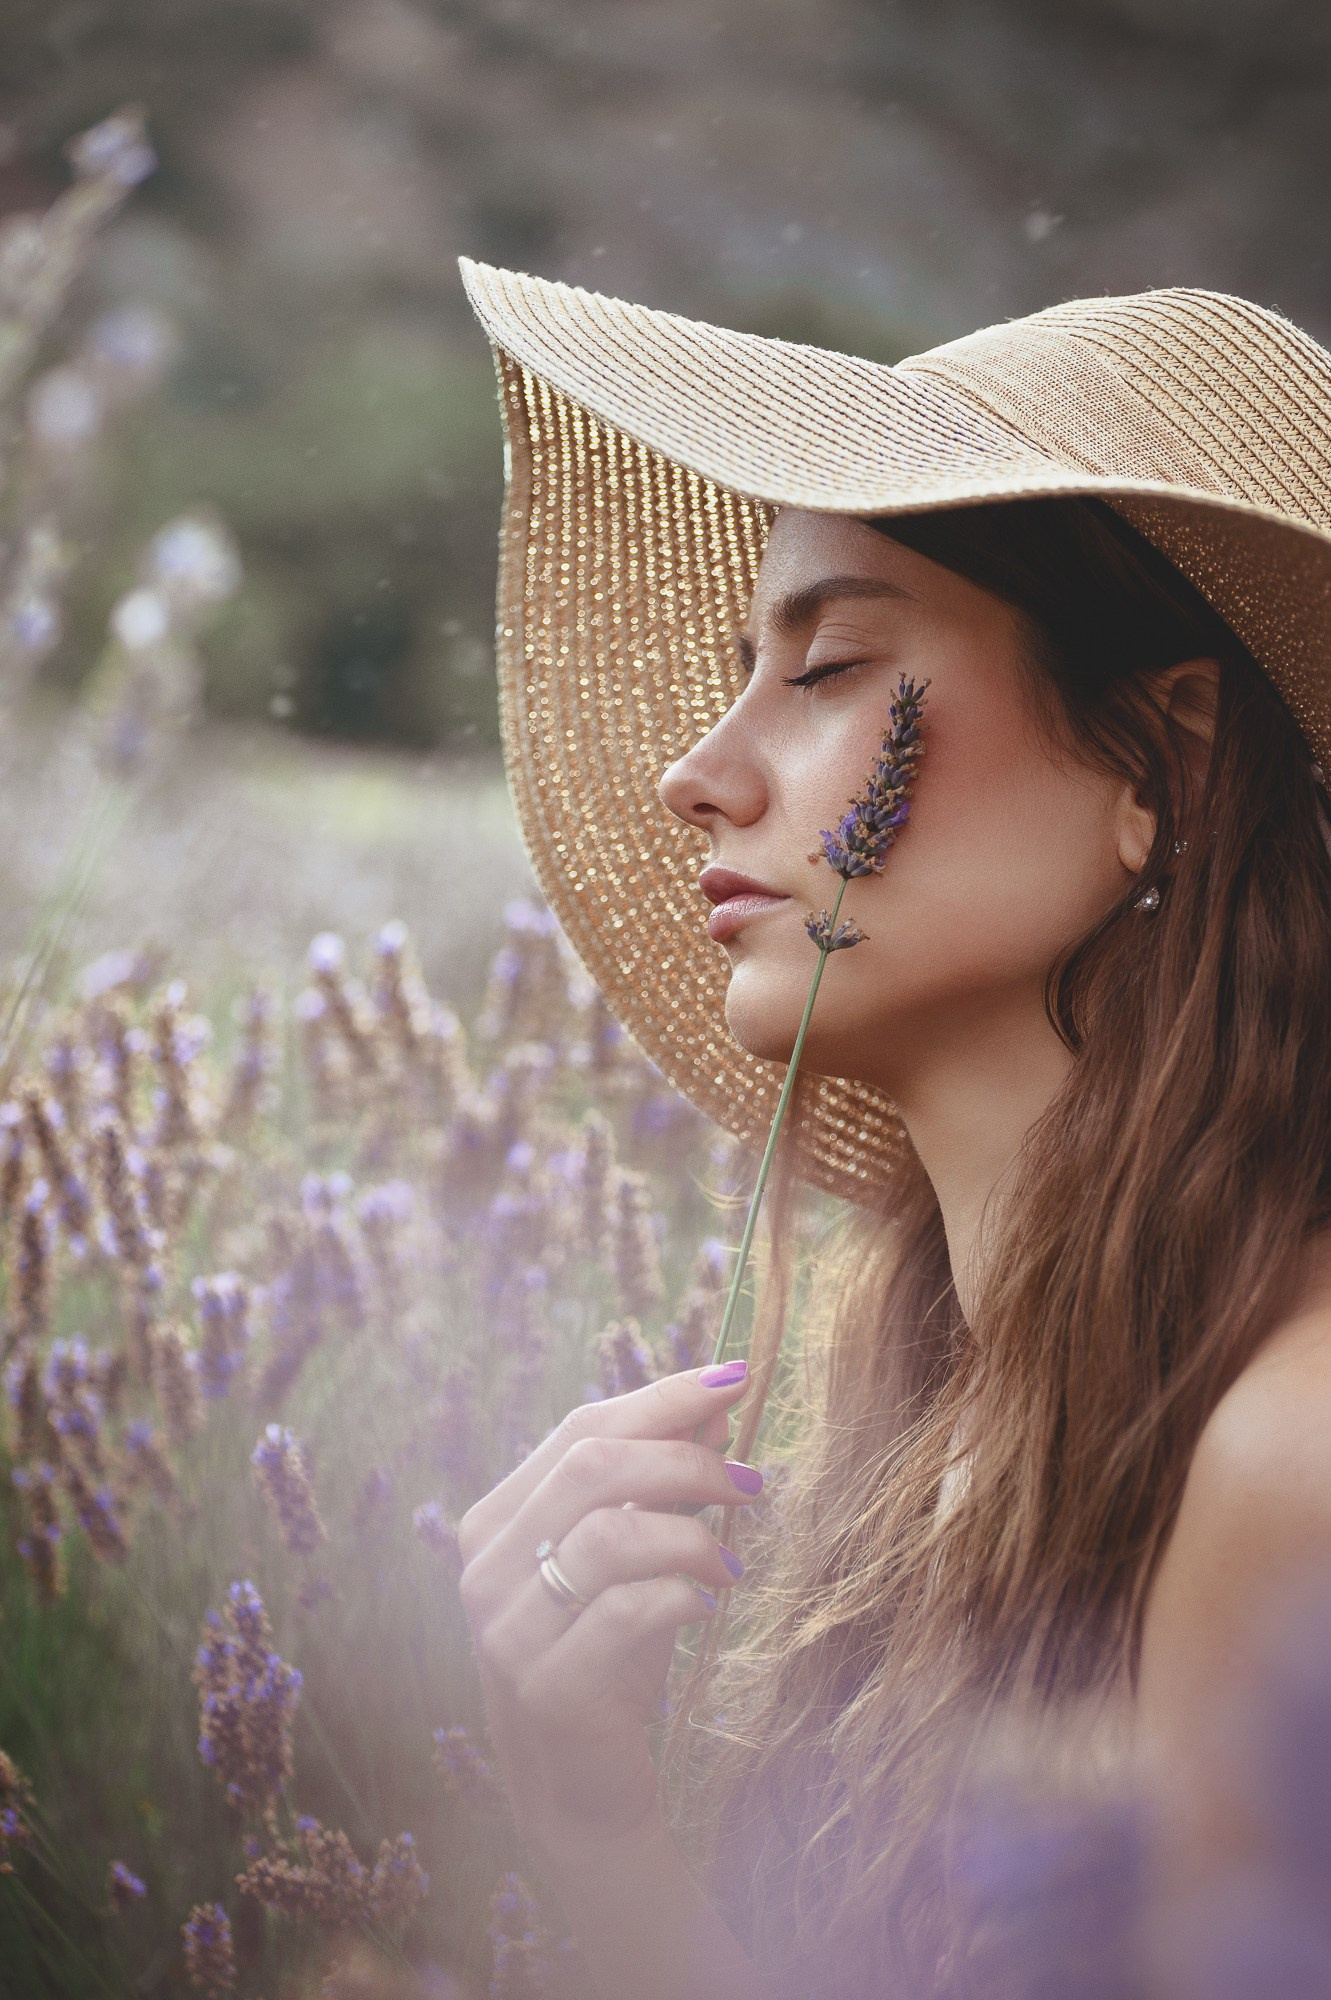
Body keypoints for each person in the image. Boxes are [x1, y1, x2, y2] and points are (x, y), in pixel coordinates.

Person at [453, 266, 1331, 1998]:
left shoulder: (1291, 1461)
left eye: (832, 665)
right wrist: (593, 1823)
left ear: (1167, 752)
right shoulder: (944, 1407)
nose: (694, 774)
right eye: (739, 671)